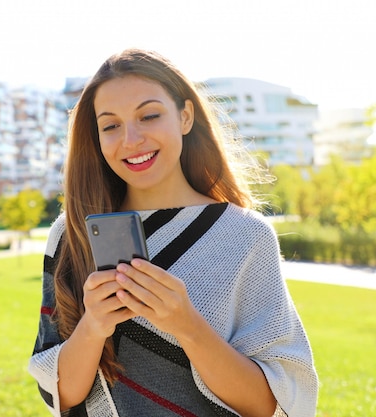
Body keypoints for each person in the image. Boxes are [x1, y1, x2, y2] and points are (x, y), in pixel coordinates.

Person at [28, 48, 318, 417]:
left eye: (149, 116)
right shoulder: (71, 236)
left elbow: (272, 404)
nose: (131, 139)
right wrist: (93, 326)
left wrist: (187, 325)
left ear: (185, 117)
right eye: (111, 125)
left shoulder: (246, 236)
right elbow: (59, 396)